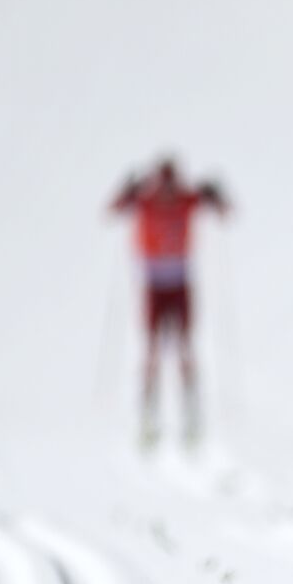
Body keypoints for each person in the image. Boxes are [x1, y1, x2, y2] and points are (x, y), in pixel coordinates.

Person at [110, 158, 230, 448]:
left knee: (184, 347)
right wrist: (126, 189)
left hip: (179, 283)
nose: (167, 191)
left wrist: (215, 192)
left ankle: (191, 414)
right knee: (152, 349)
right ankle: (148, 416)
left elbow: (222, 211)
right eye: (163, 184)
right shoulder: (146, 200)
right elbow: (115, 209)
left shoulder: (186, 199)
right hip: (154, 284)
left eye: (171, 184)